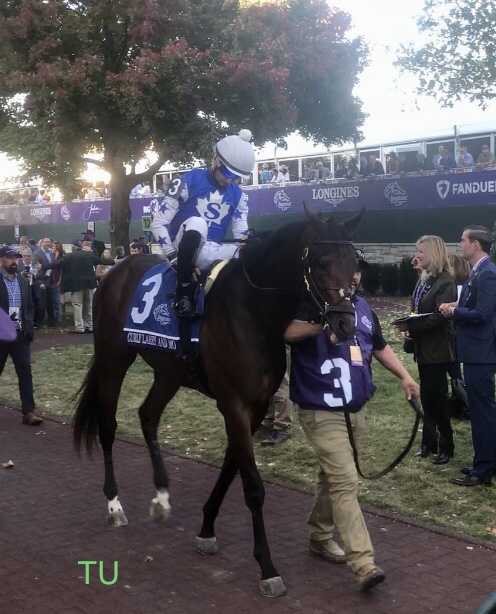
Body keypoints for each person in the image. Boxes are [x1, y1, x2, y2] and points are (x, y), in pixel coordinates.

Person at [285, 251, 419, 591]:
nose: (354, 277)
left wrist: (405, 376)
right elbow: (284, 331)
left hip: (355, 409)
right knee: (345, 481)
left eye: (357, 271)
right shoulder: (309, 303)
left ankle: (318, 535)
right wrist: (319, 325)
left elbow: (378, 346)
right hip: (321, 410)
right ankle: (364, 563)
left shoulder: (362, 308)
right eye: (348, 271)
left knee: (332, 479)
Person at [150, 129, 255, 316]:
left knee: (256, 251)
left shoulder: (239, 196)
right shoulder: (187, 181)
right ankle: (183, 292)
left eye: (237, 176)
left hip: (211, 251)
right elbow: (158, 223)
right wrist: (173, 258)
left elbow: (242, 235)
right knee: (198, 224)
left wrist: (250, 241)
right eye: (228, 173)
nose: (231, 180)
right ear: (215, 161)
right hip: (182, 247)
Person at [440, 225, 496, 486]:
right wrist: (458, 305)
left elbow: (483, 314)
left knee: (482, 412)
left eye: (463, 240)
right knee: (481, 410)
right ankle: (483, 462)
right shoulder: (479, 272)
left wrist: (454, 313)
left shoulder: (486, 274)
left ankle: (483, 470)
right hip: (476, 352)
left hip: (481, 353)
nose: (459, 244)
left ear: (475, 244)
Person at [394, 236, 457, 464]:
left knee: (438, 398)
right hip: (423, 348)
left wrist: (413, 326)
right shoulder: (424, 279)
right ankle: (429, 444)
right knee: (428, 399)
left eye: (420, 251)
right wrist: (408, 326)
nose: (417, 255)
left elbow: (441, 317)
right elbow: (417, 309)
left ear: (432, 253)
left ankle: (447, 446)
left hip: (438, 350)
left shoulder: (446, 281)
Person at [0, 246, 43, 425]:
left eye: (16, 258)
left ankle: (29, 412)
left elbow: (29, 306)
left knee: (25, 372)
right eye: (10, 258)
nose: (14, 261)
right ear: (1, 259)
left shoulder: (23, 281)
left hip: (20, 334)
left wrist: (29, 328)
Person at [258, 347, 293, 446]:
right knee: (268, 386)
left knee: (281, 386)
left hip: (277, 345)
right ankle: (269, 422)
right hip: (264, 345)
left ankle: (283, 427)